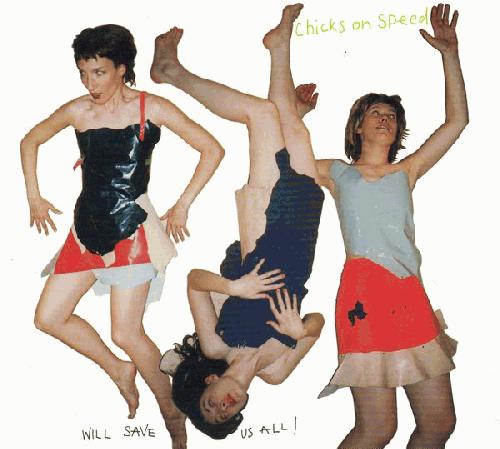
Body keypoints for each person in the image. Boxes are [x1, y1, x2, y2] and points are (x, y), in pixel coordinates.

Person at [20, 24, 224, 449]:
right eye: (83, 73)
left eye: (98, 72)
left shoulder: (151, 107)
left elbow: (212, 148)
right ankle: (118, 369)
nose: (89, 83)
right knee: (48, 318)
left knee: (127, 333)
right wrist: (34, 197)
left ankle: (173, 417)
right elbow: (30, 140)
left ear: (121, 68)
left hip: (132, 230)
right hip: (85, 228)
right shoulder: (79, 110)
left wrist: (183, 204)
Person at [150, 4, 325, 439]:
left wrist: (237, 288)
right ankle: (278, 46)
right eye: (225, 415)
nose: (223, 406)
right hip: (303, 235)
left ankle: (172, 73)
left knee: (261, 115)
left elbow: (195, 281)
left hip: (263, 231)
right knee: (294, 129)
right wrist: (301, 329)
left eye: (209, 405)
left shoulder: (216, 345)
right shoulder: (276, 372)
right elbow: (319, 322)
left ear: (208, 383)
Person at [308, 4, 467, 448]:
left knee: (439, 423)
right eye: (376, 113)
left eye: (392, 116)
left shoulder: (406, 171)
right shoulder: (336, 172)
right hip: (364, 292)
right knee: (378, 428)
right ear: (358, 126)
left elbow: (457, 121)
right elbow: (282, 157)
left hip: (410, 292)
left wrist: (449, 55)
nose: (385, 119)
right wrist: (297, 115)